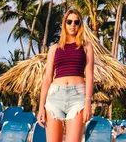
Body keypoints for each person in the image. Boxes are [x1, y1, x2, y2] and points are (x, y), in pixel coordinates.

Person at [38, 9, 95, 142]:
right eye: (69, 21)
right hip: (54, 97)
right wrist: (41, 106)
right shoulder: (54, 48)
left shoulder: (86, 46)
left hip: (77, 97)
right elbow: (47, 79)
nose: (72, 25)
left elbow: (90, 76)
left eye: (76, 22)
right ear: (64, 24)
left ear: (80, 25)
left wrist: (88, 102)